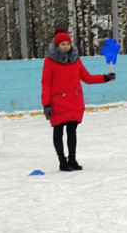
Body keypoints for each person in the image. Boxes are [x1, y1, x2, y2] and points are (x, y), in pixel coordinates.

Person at [41, 28, 115, 171]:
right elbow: (46, 83)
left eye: (67, 44)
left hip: (74, 102)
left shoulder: (76, 61)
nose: (65, 46)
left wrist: (105, 78)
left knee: (72, 132)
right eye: (62, 44)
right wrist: (46, 104)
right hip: (57, 102)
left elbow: (87, 78)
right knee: (58, 132)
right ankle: (62, 162)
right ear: (57, 46)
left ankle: (72, 159)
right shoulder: (49, 62)